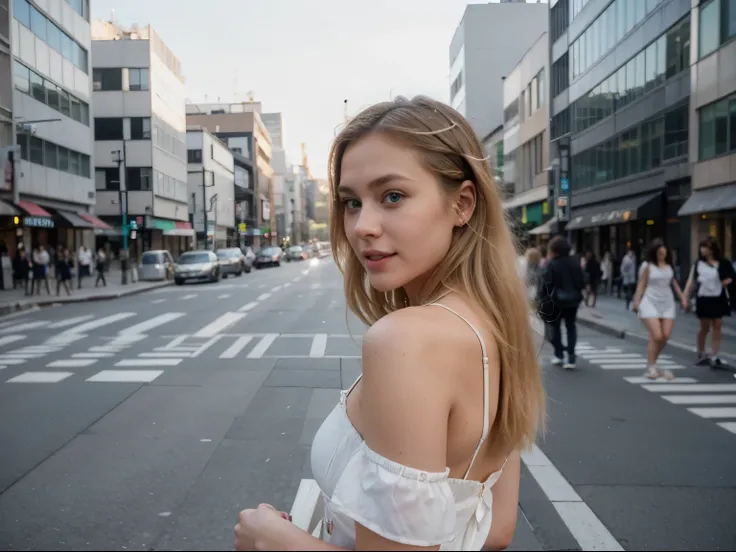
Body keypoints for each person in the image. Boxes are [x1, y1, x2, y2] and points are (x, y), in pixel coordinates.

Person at [234, 96, 545, 551]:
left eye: (392, 196)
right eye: (350, 202)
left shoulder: (406, 340)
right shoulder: (501, 326)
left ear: (462, 204)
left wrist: (274, 539)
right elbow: (496, 528)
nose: (362, 226)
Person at [632, 239, 688, 380]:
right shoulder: (648, 266)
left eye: (664, 251)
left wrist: (682, 298)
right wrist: (636, 301)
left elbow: (674, 283)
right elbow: (642, 284)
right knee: (656, 335)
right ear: (654, 253)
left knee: (665, 336)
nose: (662, 254)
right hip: (650, 301)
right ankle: (652, 367)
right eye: (659, 252)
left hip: (667, 302)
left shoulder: (669, 266)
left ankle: (653, 364)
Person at [683, 237, 735, 368]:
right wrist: (685, 297)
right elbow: (691, 282)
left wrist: (727, 281)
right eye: (702, 247)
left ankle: (714, 354)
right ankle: (701, 352)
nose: (703, 250)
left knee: (717, 324)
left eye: (705, 247)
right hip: (703, 298)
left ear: (712, 249)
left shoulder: (722, 263)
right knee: (704, 326)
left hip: (718, 297)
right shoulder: (698, 264)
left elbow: (731, 276)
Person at [537, 236, 585, 370]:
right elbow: (581, 282)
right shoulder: (575, 262)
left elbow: (547, 284)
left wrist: (541, 299)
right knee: (571, 327)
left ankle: (559, 353)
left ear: (554, 250)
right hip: (573, 301)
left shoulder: (553, 264)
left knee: (554, 328)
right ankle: (571, 357)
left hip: (556, 301)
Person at [620, 245, 637, 310]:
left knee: (631, 291)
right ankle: (628, 304)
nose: (631, 253)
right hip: (627, 277)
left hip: (632, 278)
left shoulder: (634, 258)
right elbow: (623, 268)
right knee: (628, 291)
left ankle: (629, 303)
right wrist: (624, 274)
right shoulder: (626, 258)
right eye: (630, 252)